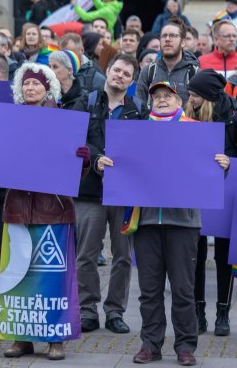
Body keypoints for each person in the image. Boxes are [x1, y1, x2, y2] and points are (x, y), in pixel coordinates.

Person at [101, 81, 229, 366]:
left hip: (183, 222)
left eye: (167, 96)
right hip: (145, 220)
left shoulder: (195, 131)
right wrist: (106, 165)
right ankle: (150, 344)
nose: (161, 100)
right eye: (156, 96)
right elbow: (120, 168)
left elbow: (210, 179)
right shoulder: (135, 133)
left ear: (178, 101)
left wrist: (222, 166)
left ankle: (185, 346)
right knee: (149, 289)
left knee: (183, 289)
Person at [0, 62, 89, 361]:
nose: (30, 88)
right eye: (25, 83)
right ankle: (21, 338)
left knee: (53, 278)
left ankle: (56, 339)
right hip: (17, 209)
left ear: (47, 87)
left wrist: (83, 159)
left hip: (55, 210)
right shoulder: (9, 121)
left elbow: (77, 173)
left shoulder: (63, 121)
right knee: (19, 276)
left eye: (36, 83)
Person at [77, 54, 147, 335]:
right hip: (90, 191)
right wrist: (96, 159)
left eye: (126, 74)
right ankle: (87, 310)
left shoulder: (139, 109)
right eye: (116, 70)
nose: (120, 76)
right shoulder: (88, 102)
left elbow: (145, 147)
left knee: (122, 256)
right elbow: (76, 138)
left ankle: (115, 311)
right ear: (107, 70)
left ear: (132, 81)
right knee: (86, 254)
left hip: (124, 194)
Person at [185, 70, 237, 337]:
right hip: (195, 193)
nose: (191, 99)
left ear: (209, 97)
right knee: (195, 256)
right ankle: (198, 312)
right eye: (189, 94)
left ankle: (223, 312)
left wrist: (228, 161)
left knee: (223, 256)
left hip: (225, 194)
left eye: (195, 95)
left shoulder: (235, 119)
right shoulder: (187, 118)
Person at [136, 18, 200, 107]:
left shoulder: (195, 73)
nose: (167, 39)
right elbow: (140, 107)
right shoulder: (148, 71)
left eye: (173, 36)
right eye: (164, 36)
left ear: (183, 42)